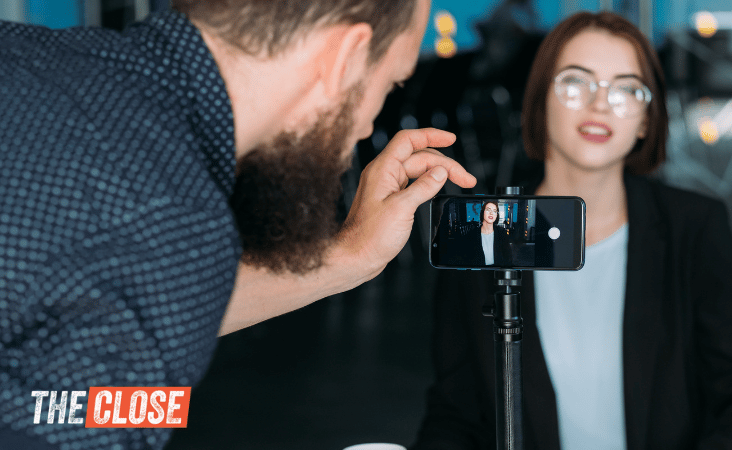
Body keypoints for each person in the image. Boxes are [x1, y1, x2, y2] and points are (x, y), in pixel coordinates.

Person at [0, 0, 476, 449]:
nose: (366, 129)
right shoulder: (167, 221)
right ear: (345, 59)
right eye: (390, 85)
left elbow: (75, 324)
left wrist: (353, 257)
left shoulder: (24, 50)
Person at [412, 11, 732, 450]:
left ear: (646, 119)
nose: (600, 103)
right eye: (576, 81)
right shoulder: (487, 234)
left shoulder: (693, 226)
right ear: (540, 99)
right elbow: (456, 414)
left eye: (626, 88)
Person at [456, 200, 511, 267]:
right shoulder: (471, 235)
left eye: (494, 211)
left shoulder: (502, 233)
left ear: (497, 215)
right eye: (488, 210)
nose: (491, 213)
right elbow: (466, 259)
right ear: (483, 212)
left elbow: (508, 258)